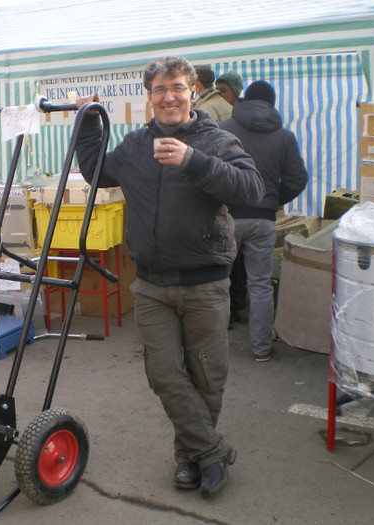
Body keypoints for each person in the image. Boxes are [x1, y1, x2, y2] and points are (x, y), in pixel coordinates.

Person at [74, 56, 264, 498]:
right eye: (159, 89)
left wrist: (194, 161)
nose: (169, 97)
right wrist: (88, 127)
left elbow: (253, 190)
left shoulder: (215, 140)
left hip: (205, 281)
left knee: (206, 375)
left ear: (193, 90)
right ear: (149, 97)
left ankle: (189, 457)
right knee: (163, 373)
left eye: (177, 87)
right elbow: (97, 173)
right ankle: (212, 452)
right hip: (154, 283)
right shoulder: (137, 145)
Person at [220, 80, 308, 362]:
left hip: (228, 216)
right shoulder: (284, 136)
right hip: (264, 219)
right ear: (271, 103)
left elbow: (207, 173)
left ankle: (213, 346)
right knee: (259, 284)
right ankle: (261, 350)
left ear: (245, 100)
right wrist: (273, 199)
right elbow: (297, 179)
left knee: (216, 282)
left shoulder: (224, 130)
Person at [214, 71, 246, 327]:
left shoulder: (227, 128)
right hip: (248, 209)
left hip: (239, 208)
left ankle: (235, 309)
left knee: (234, 265)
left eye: (223, 91)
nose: (219, 96)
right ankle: (236, 310)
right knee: (236, 265)